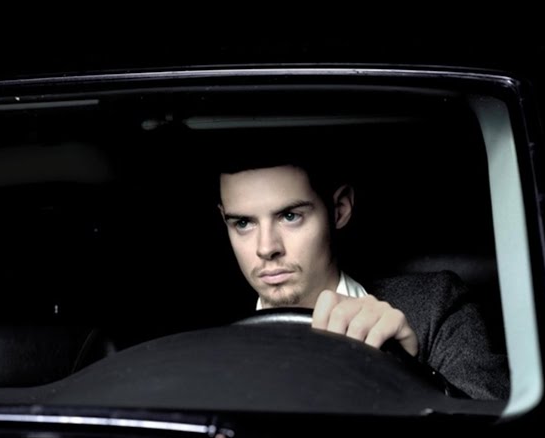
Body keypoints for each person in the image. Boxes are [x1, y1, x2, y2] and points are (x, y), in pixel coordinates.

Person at [216, 149, 510, 401]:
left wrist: (405, 372)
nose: (266, 248)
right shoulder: (208, 339)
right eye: (243, 223)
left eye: (290, 216)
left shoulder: (436, 307)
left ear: (339, 209)